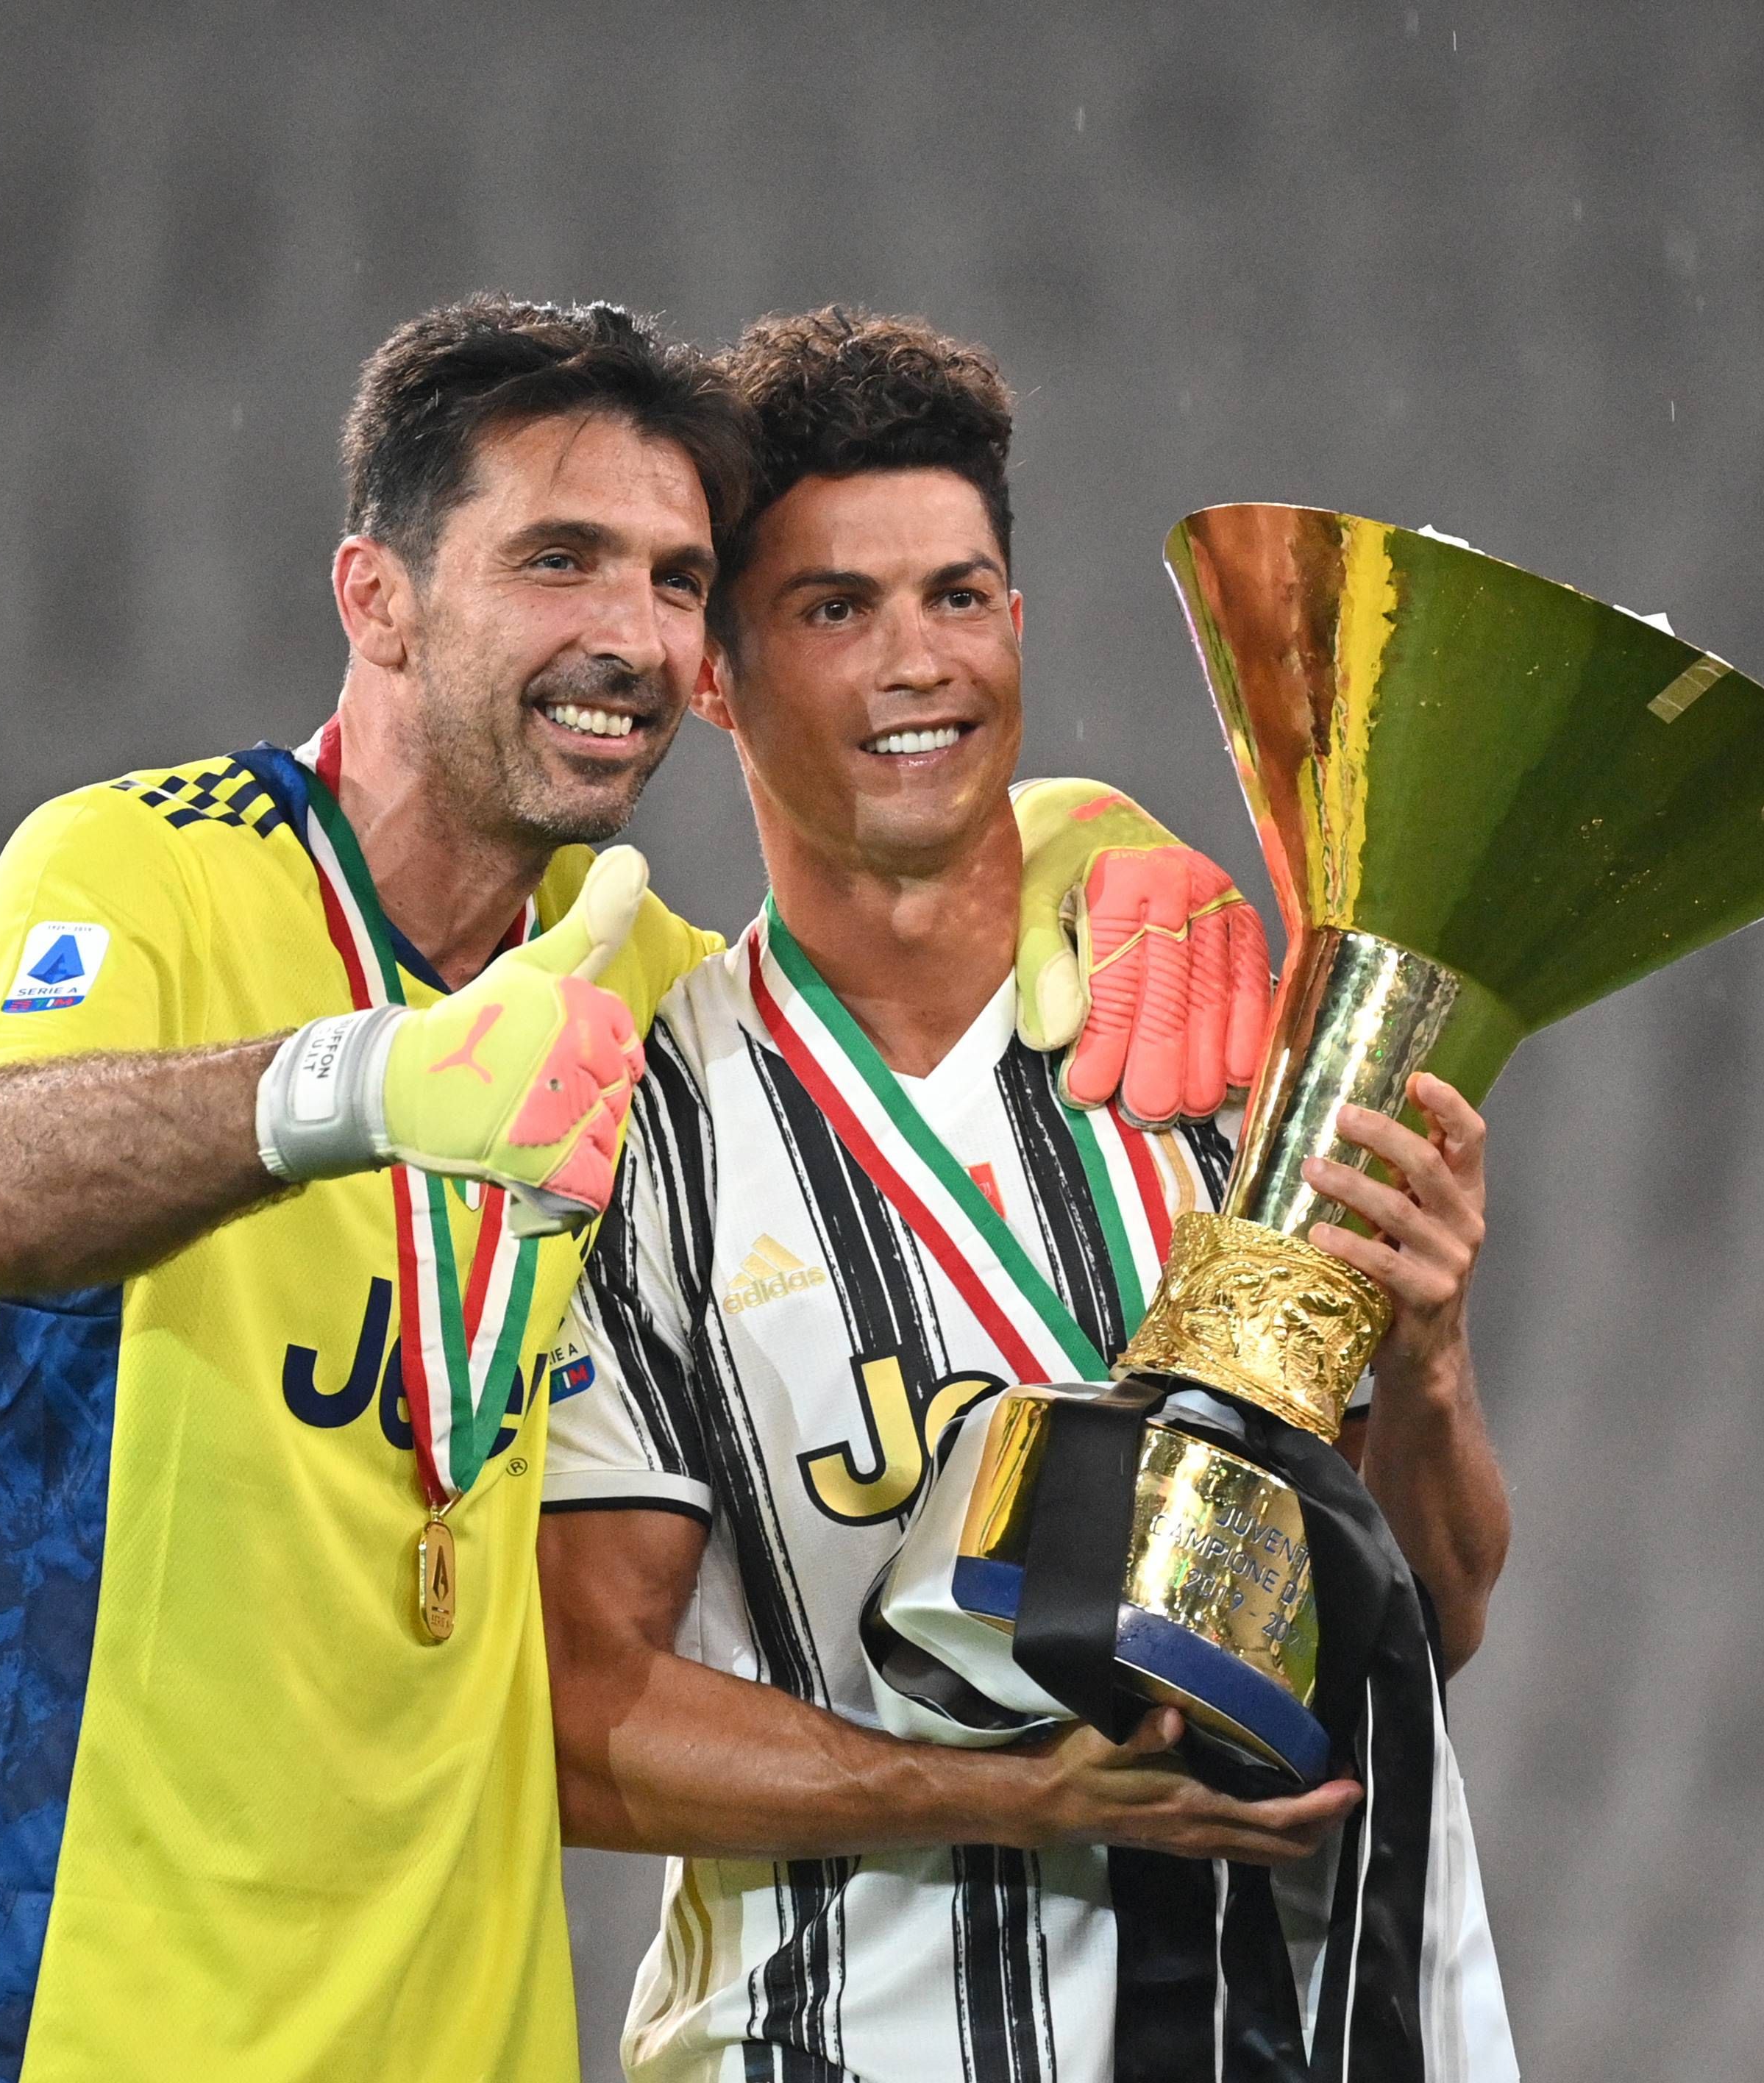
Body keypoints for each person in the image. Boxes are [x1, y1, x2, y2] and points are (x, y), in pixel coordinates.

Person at [0, 295, 1272, 2083]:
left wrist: (1098, 831)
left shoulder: (641, 982)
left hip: (468, 2027)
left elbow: (879, 898)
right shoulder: (143, 865)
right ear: (376, 596)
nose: (630, 637)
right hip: (84, 1998)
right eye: (559, 561)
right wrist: (353, 1084)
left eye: (674, 580)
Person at [538, 309, 1518, 2082]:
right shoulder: (648, 1121)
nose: (918, 662)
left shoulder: (1223, 1041)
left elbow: (1427, 1616)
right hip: (839, 2040)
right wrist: (997, 1797)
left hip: (1294, 2028)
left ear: (1019, 621)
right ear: (714, 674)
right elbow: (576, 1715)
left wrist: (1431, 1362)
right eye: (836, 608)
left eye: (958, 595)